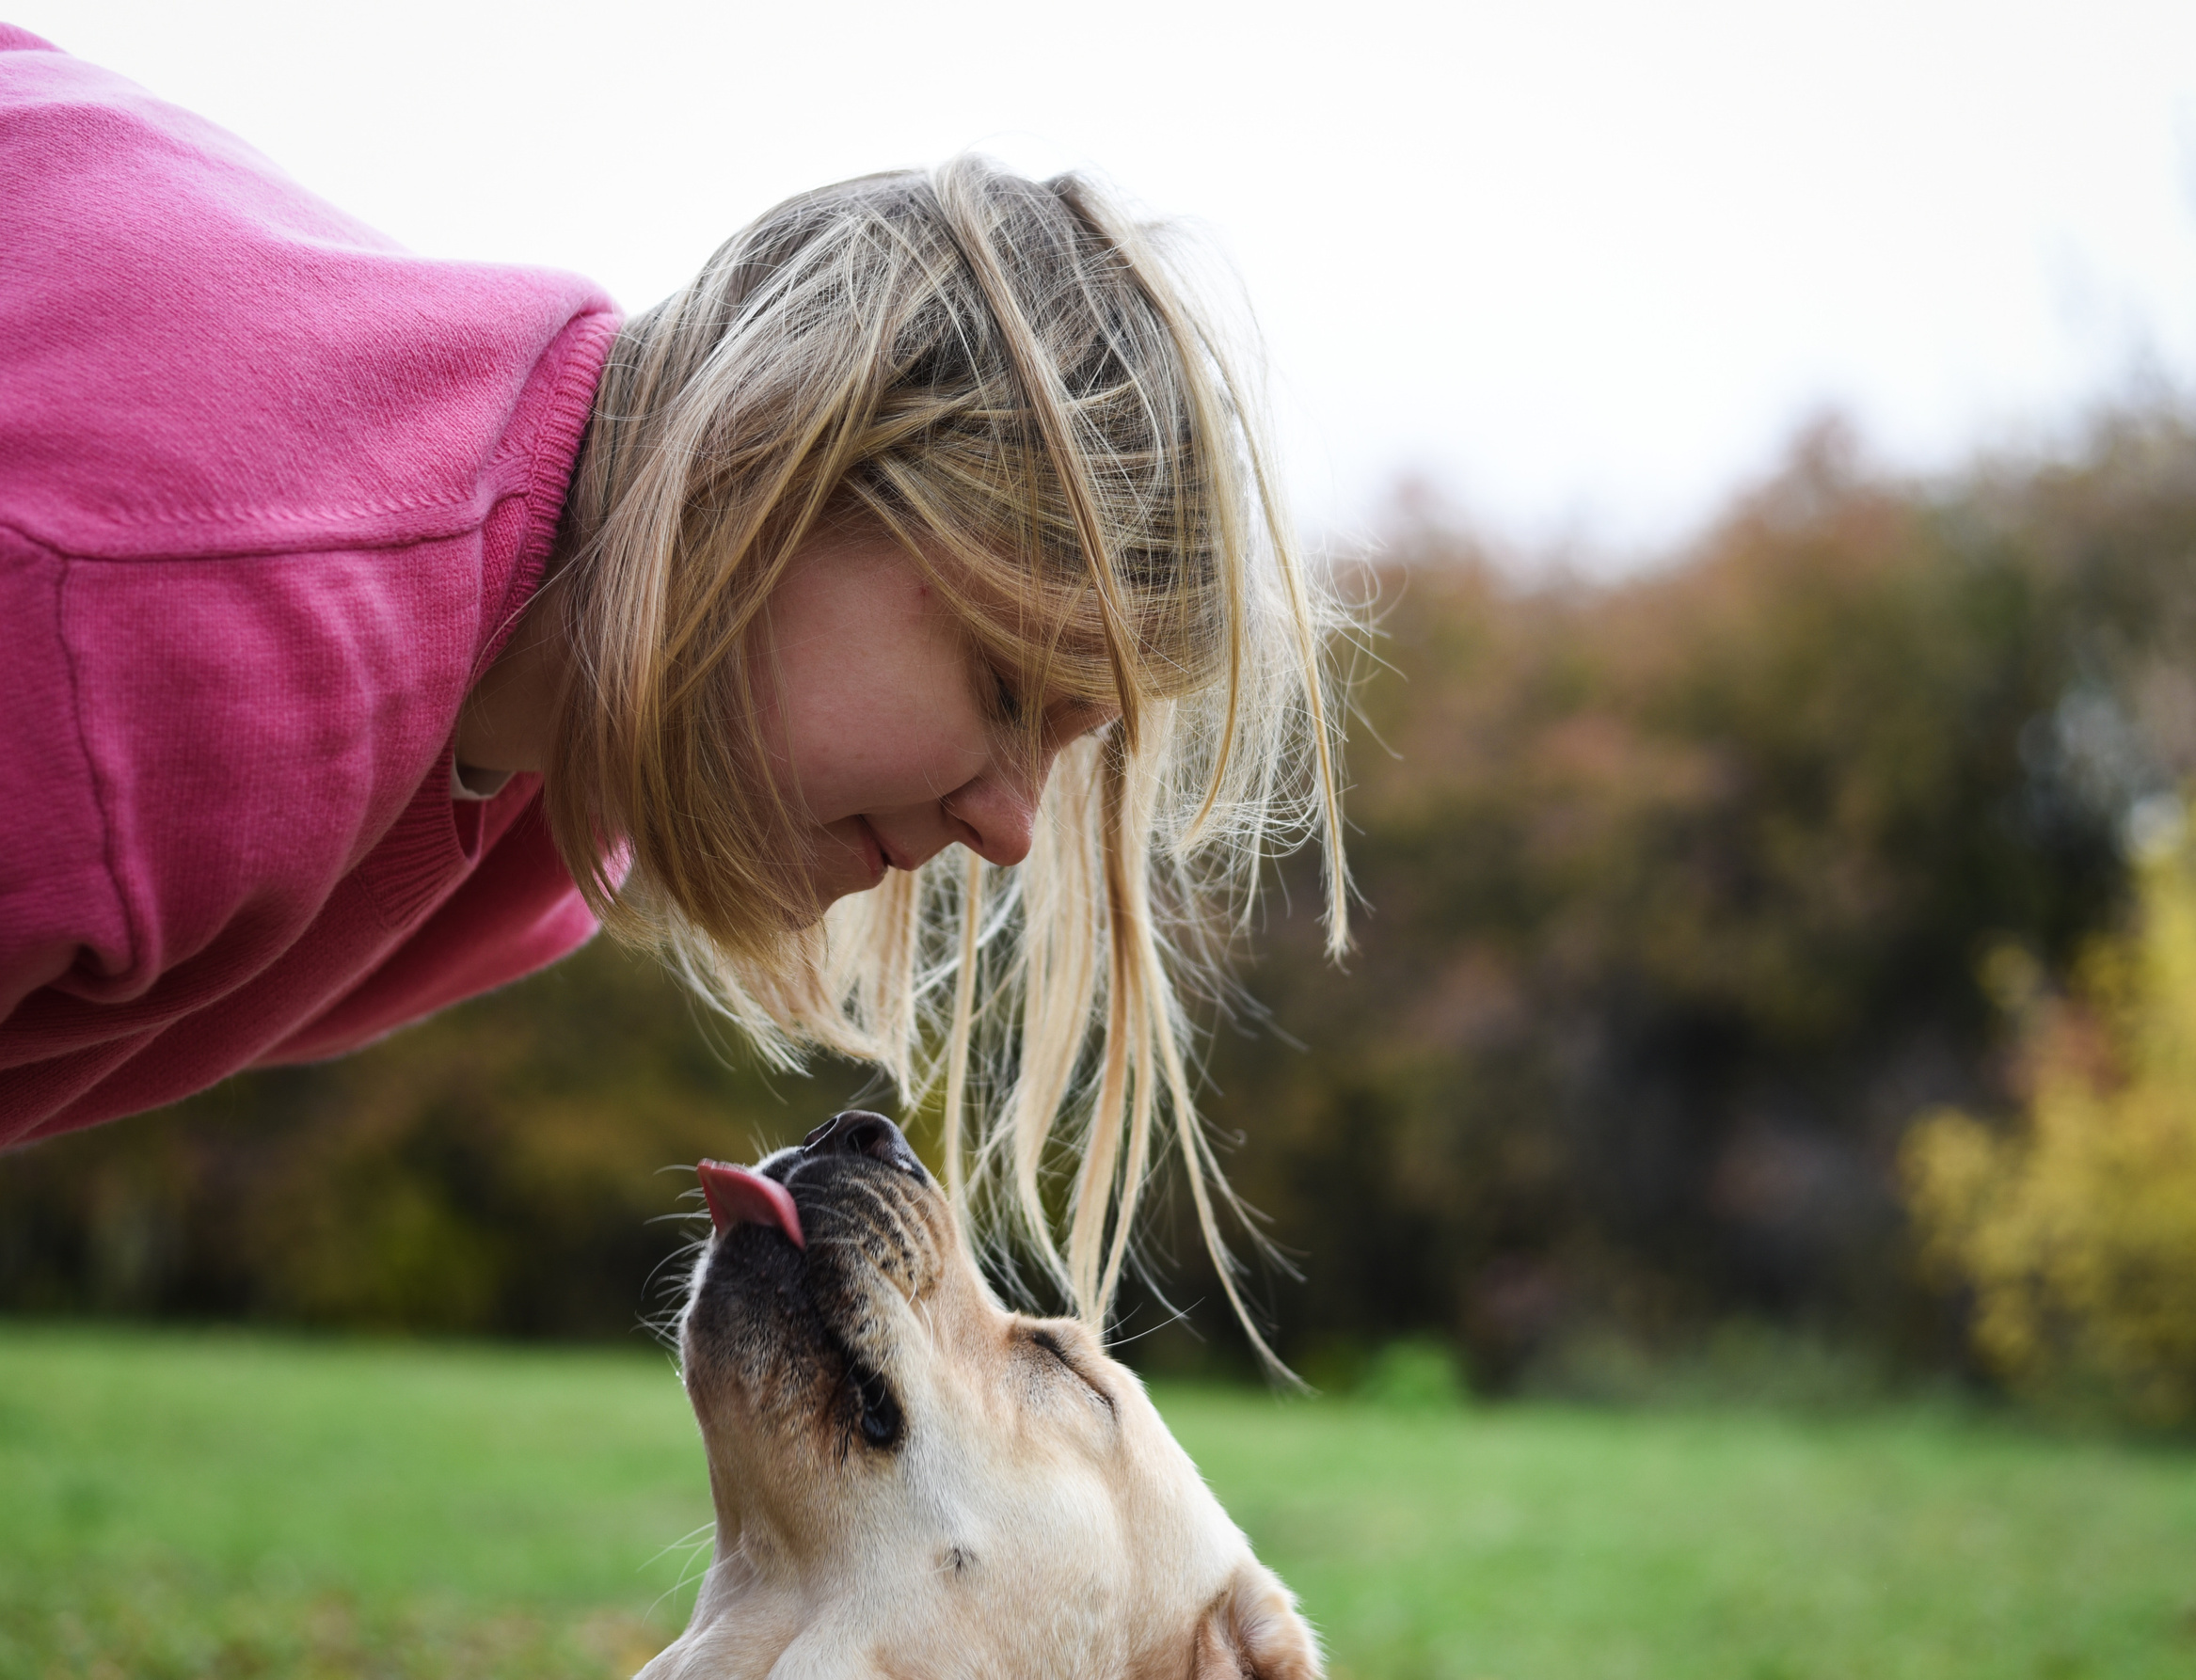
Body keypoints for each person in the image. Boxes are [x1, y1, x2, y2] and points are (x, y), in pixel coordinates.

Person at [0, 27, 1349, 1348]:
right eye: (1003, 682)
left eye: (1069, 740)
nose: (1010, 828)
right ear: (778, 460)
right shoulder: (172, 638)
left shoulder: (532, 842)